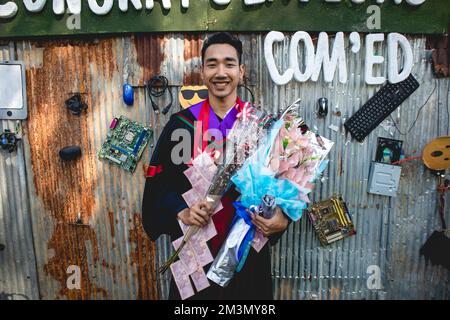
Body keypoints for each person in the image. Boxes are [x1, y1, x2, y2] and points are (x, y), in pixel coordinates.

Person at [142, 32, 290, 300]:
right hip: (195, 254)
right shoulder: (182, 127)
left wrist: (282, 218)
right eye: (212, 64)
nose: (221, 72)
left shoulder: (262, 127)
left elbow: (285, 185)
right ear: (202, 71)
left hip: (248, 253)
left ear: (241, 71)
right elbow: (158, 186)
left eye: (229, 63)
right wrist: (181, 211)